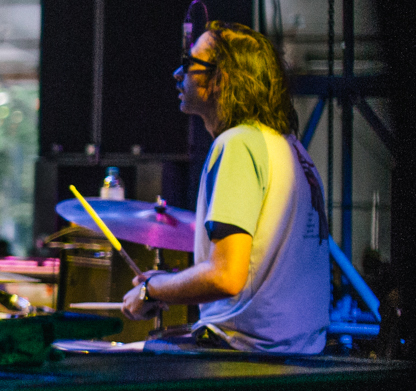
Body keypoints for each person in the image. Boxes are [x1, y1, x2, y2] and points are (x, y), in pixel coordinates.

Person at [122, 21, 329, 353]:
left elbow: (225, 276)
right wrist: (165, 284)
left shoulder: (238, 143)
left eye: (190, 64)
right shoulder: (292, 149)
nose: (178, 73)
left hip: (245, 358)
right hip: (299, 354)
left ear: (223, 78)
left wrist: (153, 290)